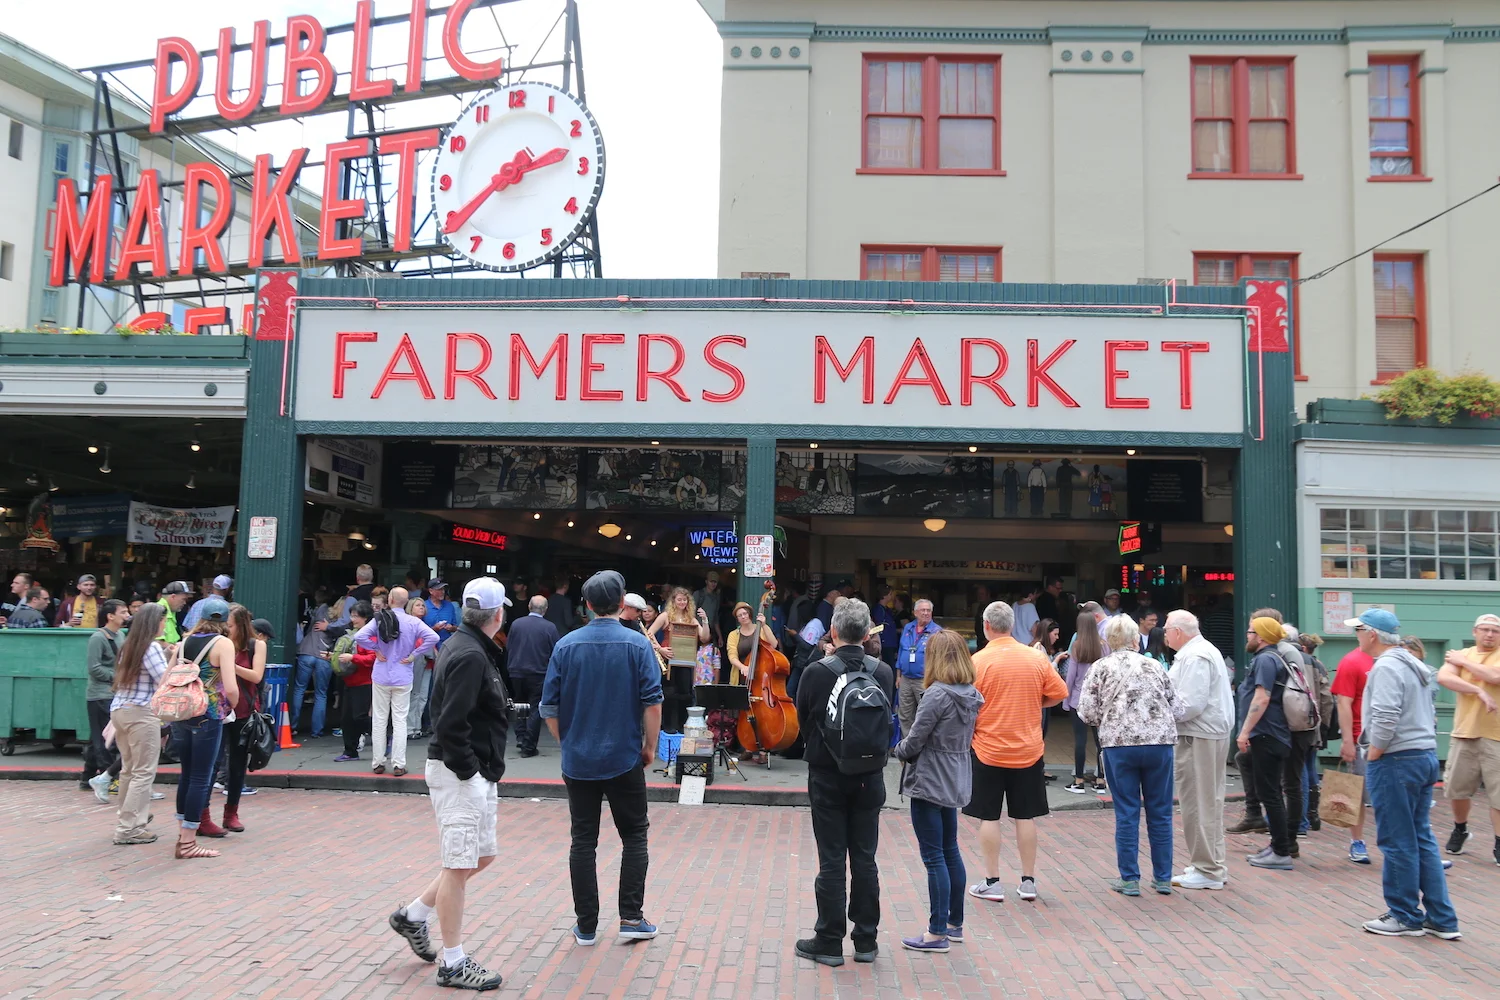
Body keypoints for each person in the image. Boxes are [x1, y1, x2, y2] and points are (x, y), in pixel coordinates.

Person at [388, 578, 514, 990]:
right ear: (497, 615)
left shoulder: (469, 648)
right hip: (461, 772)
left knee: (478, 857)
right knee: (459, 865)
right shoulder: (471, 654)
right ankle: (453, 961)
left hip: (469, 770)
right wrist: (469, 771)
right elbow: (450, 723)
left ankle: (414, 916)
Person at [540, 570, 663, 947]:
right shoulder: (636, 645)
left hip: (579, 758)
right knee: (635, 835)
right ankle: (631, 917)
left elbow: (549, 708)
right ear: (622, 602)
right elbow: (652, 702)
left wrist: (568, 741)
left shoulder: (566, 645)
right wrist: (651, 748)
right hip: (624, 755)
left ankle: (587, 925)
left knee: (583, 840)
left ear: (588, 605)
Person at [1345, 609, 1462, 939]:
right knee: (1420, 836)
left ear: (1372, 634)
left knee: (1397, 840)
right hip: (1422, 755)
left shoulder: (1386, 666)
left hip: (1397, 759)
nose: (1357, 636)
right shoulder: (1413, 664)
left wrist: (1376, 751)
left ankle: (1404, 914)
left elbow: (1384, 715)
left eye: (1359, 630)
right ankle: (1441, 917)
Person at [793, 598, 895, 967]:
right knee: (865, 858)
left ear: (833, 632)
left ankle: (829, 939)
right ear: (868, 634)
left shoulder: (817, 672)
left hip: (827, 774)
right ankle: (866, 940)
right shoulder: (881, 671)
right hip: (870, 776)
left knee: (832, 859)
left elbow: (804, 721)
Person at [964, 601, 1067, 903]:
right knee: (1025, 816)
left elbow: (968, 703)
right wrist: (1037, 704)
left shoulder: (977, 661)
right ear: (1012, 625)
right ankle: (1028, 881)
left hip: (988, 749)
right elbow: (1059, 693)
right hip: (1028, 749)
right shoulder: (1035, 658)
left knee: (988, 816)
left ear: (986, 626)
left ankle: (992, 881)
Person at [1078, 614, 1183, 896]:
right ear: (1136, 639)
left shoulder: (1100, 667)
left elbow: (1086, 712)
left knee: (1127, 812)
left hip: (1119, 745)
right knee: (1160, 812)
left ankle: (1129, 878)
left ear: (1108, 640)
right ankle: (1162, 877)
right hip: (1159, 743)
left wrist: (1109, 718)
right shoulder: (1154, 665)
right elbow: (1178, 708)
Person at [893, 630, 982, 954]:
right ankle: (954, 924)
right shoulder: (970, 692)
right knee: (950, 850)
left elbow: (915, 740)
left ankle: (936, 931)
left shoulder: (937, 694)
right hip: (956, 775)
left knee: (934, 857)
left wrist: (898, 749)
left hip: (930, 778)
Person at [1164, 610, 1235, 891]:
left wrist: (1161, 711)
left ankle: (1208, 868)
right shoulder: (1201, 651)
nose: (1165, 634)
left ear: (1178, 632)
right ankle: (1210, 863)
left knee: (1198, 801)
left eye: (1167, 629)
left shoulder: (1194, 656)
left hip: (1199, 734)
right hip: (1207, 733)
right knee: (1208, 800)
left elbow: (1190, 704)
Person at [173, 597, 239, 858]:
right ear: (224, 620)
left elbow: (169, 677)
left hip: (182, 713)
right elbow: (231, 688)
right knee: (201, 777)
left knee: (187, 775)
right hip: (208, 713)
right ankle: (188, 843)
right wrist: (230, 706)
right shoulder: (223, 643)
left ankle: (182, 835)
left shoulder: (183, 643)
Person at [1435, 612, 1500, 862]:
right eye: (1484, 630)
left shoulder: (1463, 657)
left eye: (1495, 631)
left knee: (1498, 795)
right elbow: (1444, 677)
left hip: (1495, 735)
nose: (1490, 635)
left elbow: (1494, 677)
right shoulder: (1462, 655)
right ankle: (1460, 828)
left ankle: (1498, 841)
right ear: (1475, 632)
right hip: (1465, 731)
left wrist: (1465, 662)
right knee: (1457, 789)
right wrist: (1476, 690)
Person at [354, 586, 439, 777]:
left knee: (379, 719)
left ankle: (378, 762)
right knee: (400, 720)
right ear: (406, 601)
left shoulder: (380, 619)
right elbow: (432, 637)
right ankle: (399, 763)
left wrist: (375, 647)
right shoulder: (412, 622)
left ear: (390, 600)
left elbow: (359, 636)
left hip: (382, 673)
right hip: (403, 673)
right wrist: (414, 654)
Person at [1236, 616, 1298, 870]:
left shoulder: (1265, 659)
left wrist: (1244, 732)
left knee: (1270, 794)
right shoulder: (1273, 658)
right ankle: (1277, 845)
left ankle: (1281, 851)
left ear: (1261, 637)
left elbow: (1261, 698)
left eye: (1251, 632)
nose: (1247, 636)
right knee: (1270, 792)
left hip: (1267, 735)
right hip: (1272, 734)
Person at [108, 602, 169, 845]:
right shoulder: (151, 647)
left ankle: (129, 818)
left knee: (129, 770)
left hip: (121, 710)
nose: (165, 623)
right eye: (163, 620)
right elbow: (164, 680)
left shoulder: (128, 645)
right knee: (143, 772)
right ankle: (127, 828)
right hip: (142, 713)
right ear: (155, 622)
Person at [216, 603, 267, 834]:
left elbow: (256, 676)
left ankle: (231, 813)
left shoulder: (256, 645)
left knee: (237, 763)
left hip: (243, 710)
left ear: (241, 625)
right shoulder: (219, 643)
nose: (227, 630)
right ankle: (203, 815)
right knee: (213, 762)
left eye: (230, 626)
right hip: (217, 708)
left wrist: (230, 665)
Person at [1332, 633, 1377, 863]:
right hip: (1363, 738)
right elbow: (1344, 701)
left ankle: (1404, 844)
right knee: (1357, 791)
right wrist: (1348, 740)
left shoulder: (1394, 660)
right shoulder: (1352, 661)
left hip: (1394, 740)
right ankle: (1357, 841)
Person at [645, 587, 709, 733]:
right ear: (673, 601)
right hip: (669, 659)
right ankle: (668, 727)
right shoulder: (665, 616)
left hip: (686, 661)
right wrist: (660, 649)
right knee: (669, 694)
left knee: (685, 695)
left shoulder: (691, 619)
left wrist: (705, 620)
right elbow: (649, 634)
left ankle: (681, 726)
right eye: (679, 599)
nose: (682, 602)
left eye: (684, 600)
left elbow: (704, 637)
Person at [83, 599, 129, 801]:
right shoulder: (97, 638)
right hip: (100, 694)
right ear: (110, 616)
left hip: (114, 692)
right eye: (123, 612)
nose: (127, 615)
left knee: (100, 737)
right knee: (106, 738)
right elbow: (94, 668)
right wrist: (117, 676)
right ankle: (108, 778)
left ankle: (87, 777)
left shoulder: (120, 635)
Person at [508, 595, 560, 758]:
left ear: (529, 606)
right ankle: (529, 746)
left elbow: (509, 645)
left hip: (516, 670)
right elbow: (555, 651)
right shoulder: (550, 627)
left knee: (520, 704)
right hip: (539, 671)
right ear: (545, 609)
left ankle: (521, 736)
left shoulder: (516, 624)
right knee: (535, 707)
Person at [1062, 612, 1106, 794]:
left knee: (1080, 739)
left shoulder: (1077, 646)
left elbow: (1071, 676)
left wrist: (1065, 698)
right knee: (1100, 741)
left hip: (1078, 699)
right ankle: (1101, 780)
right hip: (1098, 699)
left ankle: (1079, 780)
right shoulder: (1104, 646)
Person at [332, 601, 376, 762]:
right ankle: (350, 751)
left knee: (359, 717)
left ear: (366, 618)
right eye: (352, 615)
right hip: (349, 681)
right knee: (346, 719)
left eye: (356, 616)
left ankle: (383, 737)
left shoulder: (370, 636)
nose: (353, 619)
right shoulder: (354, 634)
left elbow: (373, 658)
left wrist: (353, 658)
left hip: (364, 682)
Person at [291, 604, 339, 738]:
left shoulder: (320, 611)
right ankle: (317, 731)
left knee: (299, 689)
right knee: (321, 694)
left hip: (306, 652)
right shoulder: (340, 623)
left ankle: (292, 726)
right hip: (325, 655)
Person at [896, 600, 942, 737]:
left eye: (928, 610)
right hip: (905, 679)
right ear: (915, 613)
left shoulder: (937, 632)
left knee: (925, 715)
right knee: (904, 715)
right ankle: (907, 750)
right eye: (922, 610)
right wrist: (898, 676)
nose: (926, 613)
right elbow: (901, 651)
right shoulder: (908, 628)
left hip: (925, 680)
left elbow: (940, 658)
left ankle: (922, 748)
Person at [405, 597, 436, 741]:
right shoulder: (409, 624)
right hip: (416, 660)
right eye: (418, 605)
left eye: (423, 605)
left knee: (423, 696)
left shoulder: (423, 624)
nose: (421, 607)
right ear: (411, 608)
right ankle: (409, 728)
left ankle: (416, 727)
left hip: (427, 662)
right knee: (414, 694)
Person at [157, 581, 193, 645]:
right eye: (183, 599)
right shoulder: (157, 612)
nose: (184, 603)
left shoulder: (171, 611)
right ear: (173, 597)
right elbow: (157, 642)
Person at [692, 571, 723, 639]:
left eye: (715, 582)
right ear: (706, 581)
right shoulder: (698, 594)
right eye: (711, 581)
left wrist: (720, 636)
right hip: (697, 630)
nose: (713, 584)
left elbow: (715, 619)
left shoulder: (716, 597)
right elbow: (691, 614)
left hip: (710, 632)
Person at [1012, 586, 1041, 651]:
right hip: (1027, 644)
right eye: (1035, 594)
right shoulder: (1030, 606)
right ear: (1030, 595)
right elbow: (1034, 629)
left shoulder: (1014, 605)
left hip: (1014, 643)